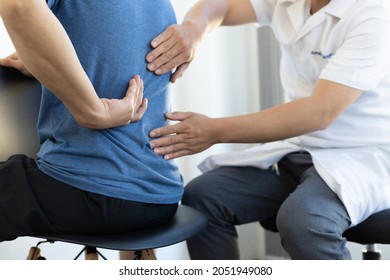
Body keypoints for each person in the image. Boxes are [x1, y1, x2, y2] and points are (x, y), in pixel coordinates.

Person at [147, 0, 390, 259]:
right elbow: (222, 6)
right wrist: (193, 30)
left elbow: (320, 112)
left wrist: (214, 131)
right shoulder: (291, 2)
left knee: (303, 222)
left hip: (362, 155)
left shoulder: (372, 15)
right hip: (303, 147)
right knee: (203, 197)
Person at [0, 0, 183, 245]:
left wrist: (93, 111)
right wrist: (40, 60)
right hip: (162, 195)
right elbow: (108, 44)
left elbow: (19, 5)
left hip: (90, 193)